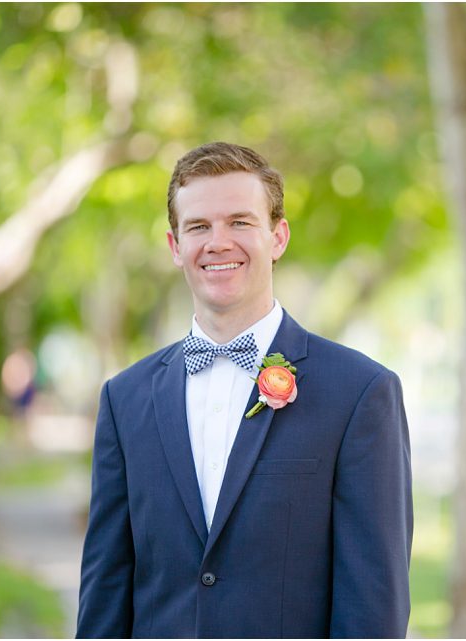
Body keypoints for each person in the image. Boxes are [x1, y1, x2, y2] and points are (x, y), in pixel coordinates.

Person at [76, 142, 413, 638]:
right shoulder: (124, 400)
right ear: (174, 246)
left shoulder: (360, 394)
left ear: (277, 237)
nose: (218, 242)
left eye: (239, 222)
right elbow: (106, 588)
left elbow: (373, 607)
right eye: (198, 227)